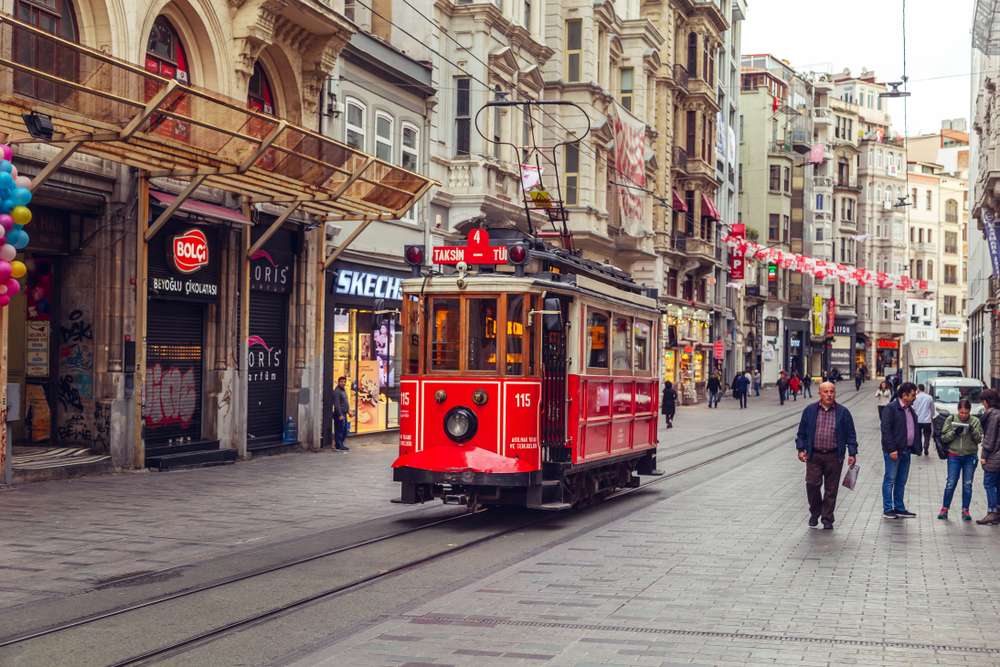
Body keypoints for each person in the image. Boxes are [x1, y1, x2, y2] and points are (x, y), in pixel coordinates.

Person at [795, 381, 858, 529]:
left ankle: (827, 518)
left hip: (834, 456)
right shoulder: (810, 411)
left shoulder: (843, 412)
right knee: (812, 484)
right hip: (814, 456)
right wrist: (800, 449)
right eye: (826, 392)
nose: (829, 395)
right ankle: (815, 512)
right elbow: (801, 433)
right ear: (819, 393)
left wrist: (852, 453)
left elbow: (851, 434)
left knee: (831, 489)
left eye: (832, 391)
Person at [937, 399, 983, 521]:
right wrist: (954, 432)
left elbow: (979, 439)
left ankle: (965, 510)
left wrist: (972, 431)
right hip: (954, 456)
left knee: (967, 484)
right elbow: (944, 438)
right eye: (961, 412)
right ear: (958, 410)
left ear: (969, 411)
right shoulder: (951, 419)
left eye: (966, 413)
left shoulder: (975, 421)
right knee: (951, 483)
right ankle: (944, 509)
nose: (963, 415)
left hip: (970, 456)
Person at [880, 381, 919, 519]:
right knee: (890, 479)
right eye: (913, 395)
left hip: (906, 450)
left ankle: (899, 508)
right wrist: (891, 449)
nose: (915, 397)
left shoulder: (910, 409)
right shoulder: (891, 408)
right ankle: (888, 509)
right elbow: (886, 430)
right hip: (894, 451)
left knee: (901, 480)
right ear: (904, 395)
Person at [978, 389, 1000, 524]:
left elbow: (990, 439)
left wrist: (984, 456)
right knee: (997, 483)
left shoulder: (993, 416)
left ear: (986, 402)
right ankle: (997, 511)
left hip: (994, 457)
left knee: (989, 483)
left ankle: (992, 512)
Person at [912, 384, 935, 456]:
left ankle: (919, 450)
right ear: (924, 389)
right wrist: (932, 416)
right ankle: (926, 446)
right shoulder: (929, 397)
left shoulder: (915, 397)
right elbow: (932, 408)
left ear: (918, 389)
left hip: (918, 420)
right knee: (927, 435)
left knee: (918, 435)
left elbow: (913, 408)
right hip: (927, 420)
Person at [333, 375, 352, 451]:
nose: (343, 383)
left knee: (344, 430)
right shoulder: (337, 391)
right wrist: (340, 415)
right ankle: (338, 445)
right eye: (341, 382)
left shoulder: (343, 390)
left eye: (344, 382)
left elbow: (345, 402)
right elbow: (337, 404)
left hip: (344, 413)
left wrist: (348, 411)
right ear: (338, 382)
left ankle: (340, 444)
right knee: (340, 430)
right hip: (339, 414)